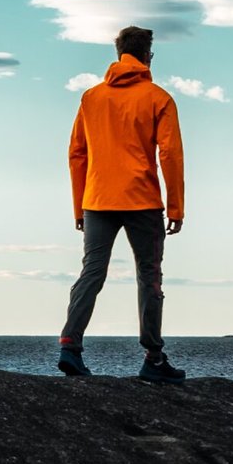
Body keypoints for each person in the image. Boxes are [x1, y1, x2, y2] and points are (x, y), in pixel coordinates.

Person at [58, 24, 186, 385]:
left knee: (92, 272)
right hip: (142, 199)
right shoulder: (158, 98)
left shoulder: (91, 98)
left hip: (97, 198)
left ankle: (70, 344)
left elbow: (76, 154)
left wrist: (78, 207)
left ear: (119, 54)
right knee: (150, 276)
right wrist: (175, 207)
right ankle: (153, 357)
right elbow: (170, 155)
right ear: (149, 56)